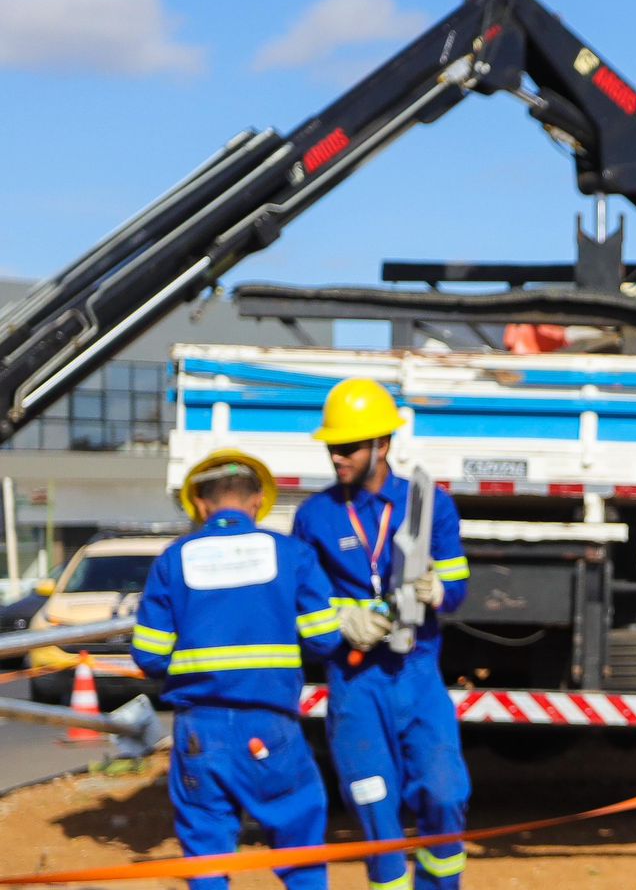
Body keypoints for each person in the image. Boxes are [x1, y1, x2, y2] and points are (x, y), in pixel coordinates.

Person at [291, 378, 472, 890]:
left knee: (445, 796)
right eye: (332, 446)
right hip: (356, 682)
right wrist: (344, 622)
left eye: (348, 446)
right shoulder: (314, 517)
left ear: (382, 445)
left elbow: (458, 585)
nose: (337, 457)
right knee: (373, 804)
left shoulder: (428, 503)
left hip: (417, 673)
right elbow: (307, 609)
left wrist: (437, 589)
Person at [133, 449, 340, 890]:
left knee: (207, 855)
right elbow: (325, 639)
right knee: (300, 846)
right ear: (258, 500)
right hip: (271, 727)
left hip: (199, 731)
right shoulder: (292, 554)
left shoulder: (174, 559)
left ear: (200, 503)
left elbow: (149, 655)